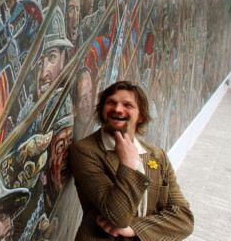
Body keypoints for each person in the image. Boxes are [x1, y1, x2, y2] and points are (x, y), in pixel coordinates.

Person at [69, 81, 193, 240]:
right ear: (102, 110)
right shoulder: (84, 151)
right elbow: (117, 217)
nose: (117, 109)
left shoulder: (157, 155)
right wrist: (128, 164)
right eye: (111, 103)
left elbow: (184, 219)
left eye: (128, 105)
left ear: (141, 116)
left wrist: (134, 229)